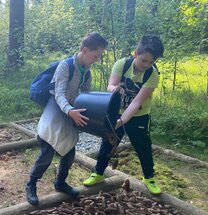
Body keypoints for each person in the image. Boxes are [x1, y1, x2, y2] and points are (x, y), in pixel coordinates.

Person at [26, 32, 109, 205]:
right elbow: (59, 93)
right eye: (96, 55)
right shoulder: (65, 66)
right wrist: (69, 110)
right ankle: (31, 184)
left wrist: (89, 115)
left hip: (71, 112)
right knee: (47, 152)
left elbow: (85, 96)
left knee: (69, 151)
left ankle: (60, 182)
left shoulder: (87, 73)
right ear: (85, 50)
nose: (97, 59)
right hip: (56, 110)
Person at [83, 35, 165, 195]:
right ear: (136, 54)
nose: (146, 65)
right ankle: (98, 173)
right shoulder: (122, 64)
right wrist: (114, 89)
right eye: (143, 60)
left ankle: (149, 178)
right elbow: (110, 85)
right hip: (116, 111)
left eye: (151, 62)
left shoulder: (152, 75)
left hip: (139, 115)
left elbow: (136, 103)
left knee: (143, 146)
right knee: (108, 142)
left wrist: (122, 121)